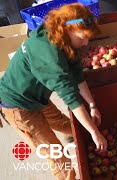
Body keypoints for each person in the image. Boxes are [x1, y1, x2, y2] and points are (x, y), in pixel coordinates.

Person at [0, 3, 107, 180]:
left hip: (37, 96)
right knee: (58, 157)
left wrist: (92, 105)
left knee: (66, 124)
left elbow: (76, 73)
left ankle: (87, 140)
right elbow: (70, 96)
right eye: (82, 38)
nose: (86, 43)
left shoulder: (60, 34)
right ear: (69, 29)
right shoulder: (49, 55)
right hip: (18, 106)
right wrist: (95, 132)